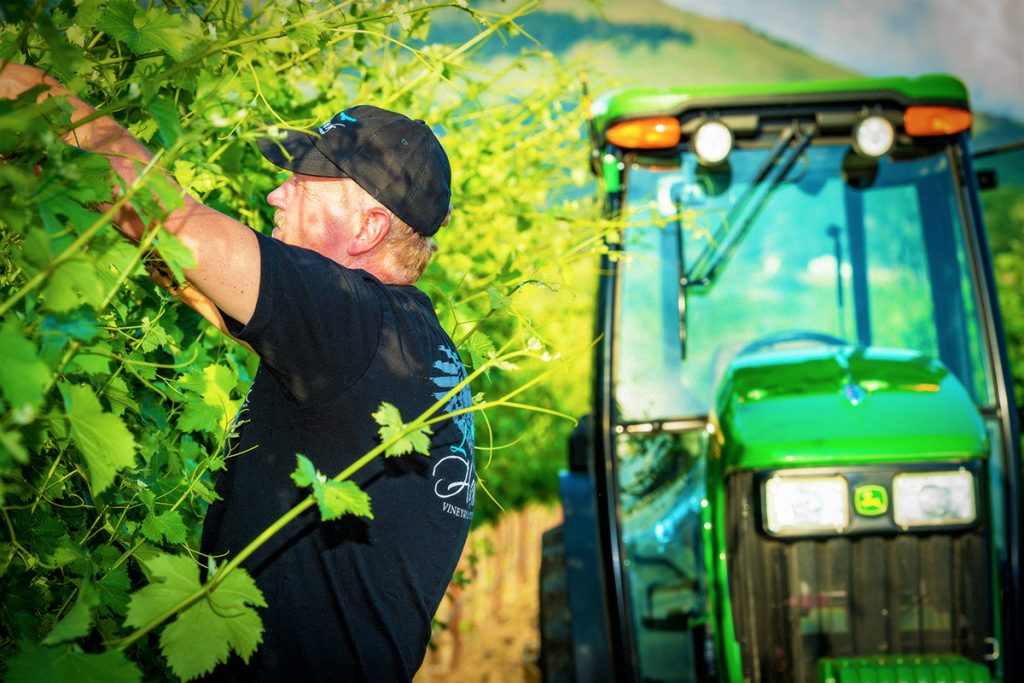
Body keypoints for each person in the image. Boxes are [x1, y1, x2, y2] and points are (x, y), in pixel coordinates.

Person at [0, 61, 476, 681]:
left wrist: (39, 94)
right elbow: (195, 279)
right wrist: (54, 177)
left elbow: (175, 220)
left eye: (303, 186)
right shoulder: (406, 346)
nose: (275, 195)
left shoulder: (351, 323)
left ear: (369, 227)